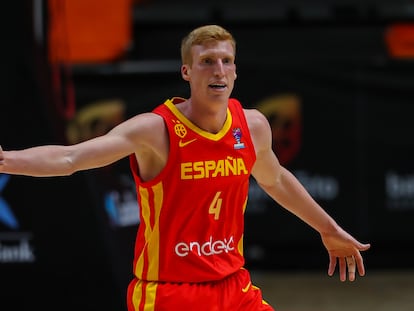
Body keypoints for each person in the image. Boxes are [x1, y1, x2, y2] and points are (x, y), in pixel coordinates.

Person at [0, 24, 370, 311]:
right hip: (168, 293)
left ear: (236, 72)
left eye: (226, 60)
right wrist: (5, 160)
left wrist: (328, 228)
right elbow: (70, 159)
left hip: (233, 286)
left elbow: (275, 180)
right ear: (187, 72)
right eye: (207, 61)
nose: (218, 70)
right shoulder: (155, 130)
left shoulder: (253, 126)